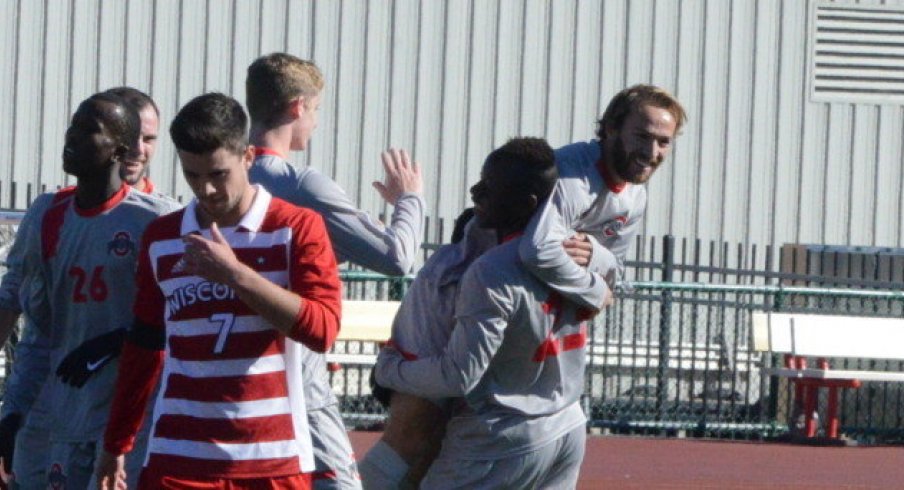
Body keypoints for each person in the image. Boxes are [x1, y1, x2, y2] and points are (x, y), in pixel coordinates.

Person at [97, 92, 342, 489]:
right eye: (193, 176)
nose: (206, 190)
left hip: (270, 460)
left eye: (218, 174)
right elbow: (144, 348)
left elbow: (323, 330)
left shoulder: (297, 227)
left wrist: (236, 275)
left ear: (248, 157)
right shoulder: (162, 238)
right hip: (177, 459)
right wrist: (116, 443)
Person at [373, 137, 604, 488]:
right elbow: (605, 294)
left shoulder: (490, 269)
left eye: (489, 187)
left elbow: (457, 376)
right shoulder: (576, 250)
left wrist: (390, 370)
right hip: (567, 426)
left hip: (502, 436)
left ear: (526, 202)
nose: (475, 191)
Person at [245, 52, 424, 488]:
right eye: (317, 109)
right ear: (297, 107)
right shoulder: (300, 184)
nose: (317, 121)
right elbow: (397, 256)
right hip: (294, 371)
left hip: (236, 370)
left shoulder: (229, 176)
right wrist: (410, 199)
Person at [0, 92, 180, 489]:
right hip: (62, 407)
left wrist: (116, 340)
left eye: (87, 131)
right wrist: (16, 407)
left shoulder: (157, 220)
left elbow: (179, 320)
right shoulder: (47, 213)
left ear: (119, 149)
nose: (71, 138)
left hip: (132, 415)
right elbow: (33, 322)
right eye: (73, 127)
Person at [520, 84, 687, 312]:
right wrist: (596, 293)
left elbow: (614, 270)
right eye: (642, 136)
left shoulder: (635, 196)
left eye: (663, 142)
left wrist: (594, 253)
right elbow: (537, 251)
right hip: (499, 299)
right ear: (611, 128)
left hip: (553, 311)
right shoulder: (571, 172)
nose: (651, 152)